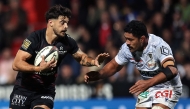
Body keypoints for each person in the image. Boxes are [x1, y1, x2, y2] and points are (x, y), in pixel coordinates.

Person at [10, 5, 109, 109]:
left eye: (67, 23)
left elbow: (81, 57)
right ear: (51, 22)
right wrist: (39, 69)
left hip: (45, 90)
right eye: (62, 23)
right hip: (24, 88)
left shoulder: (67, 42)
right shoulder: (35, 38)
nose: (66, 26)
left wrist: (94, 61)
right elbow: (16, 64)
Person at [84, 20, 182, 109]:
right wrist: (98, 75)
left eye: (130, 39)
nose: (127, 43)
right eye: (126, 38)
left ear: (142, 39)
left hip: (168, 86)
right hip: (147, 86)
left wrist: (148, 83)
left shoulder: (158, 46)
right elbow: (114, 66)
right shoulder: (127, 49)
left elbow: (172, 70)